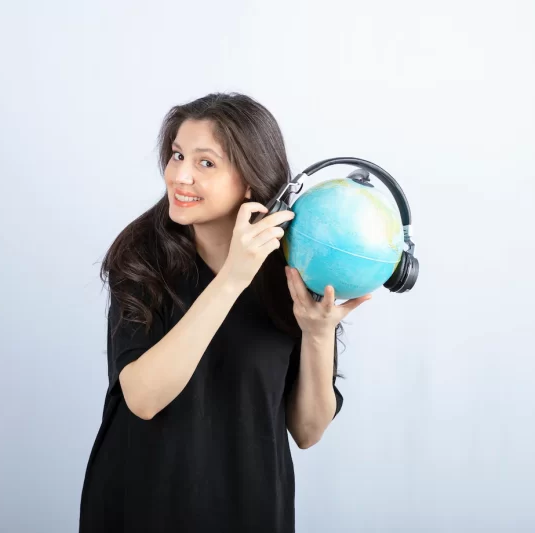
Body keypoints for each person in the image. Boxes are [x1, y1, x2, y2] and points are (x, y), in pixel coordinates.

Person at [79, 92, 371, 532]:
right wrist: (231, 279)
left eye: (205, 163)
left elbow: (307, 431)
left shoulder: (295, 269)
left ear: (251, 182)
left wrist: (317, 335)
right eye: (177, 155)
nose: (179, 175)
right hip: (141, 505)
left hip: (250, 510)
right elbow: (141, 398)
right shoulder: (141, 257)